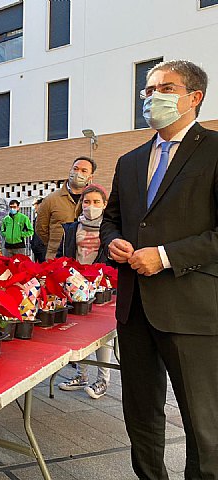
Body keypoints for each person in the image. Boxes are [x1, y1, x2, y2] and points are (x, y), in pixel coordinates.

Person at [100, 59, 218, 479]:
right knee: (140, 417)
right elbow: (112, 218)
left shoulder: (214, 151)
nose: (152, 97)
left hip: (191, 309)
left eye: (164, 88)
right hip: (134, 310)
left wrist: (165, 255)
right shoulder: (131, 160)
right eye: (148, 90)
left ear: (193, 97)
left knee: (204, 426)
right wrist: (111, 240)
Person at [57, 184, 112, 399]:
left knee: (102, 334)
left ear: (105, 205)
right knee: (78, 329)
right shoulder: (72, 228)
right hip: (76, 284)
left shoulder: (110, 229)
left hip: (101, 284)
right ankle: (82, 375)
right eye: (87, 202)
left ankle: (103, 379)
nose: (91, 207)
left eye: (97, 202)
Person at [36, 157, 96, 259]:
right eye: (75, 169)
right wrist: (56, 244)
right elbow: (41, 229)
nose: (78, 173)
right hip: (56, 260)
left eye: (84, 171)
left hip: (86, 260)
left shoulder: (95, 200)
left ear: (90, 177)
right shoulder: (51, 199)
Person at [30, 197, 47, 262]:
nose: (34, 207)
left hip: (43, 248)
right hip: (36, 248)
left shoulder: (46, 217)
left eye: (34, 205)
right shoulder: (37, 217)